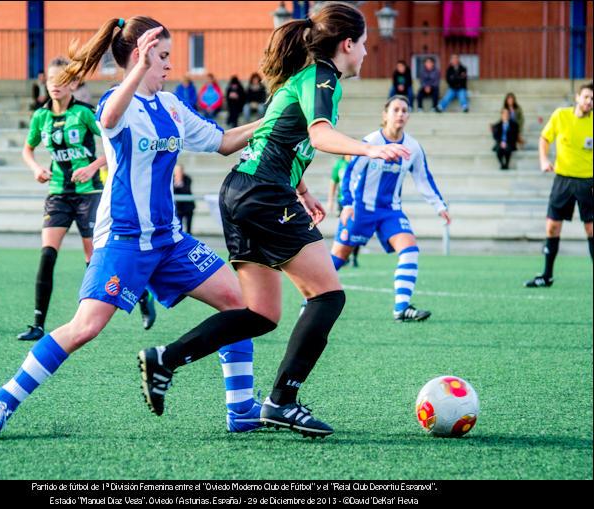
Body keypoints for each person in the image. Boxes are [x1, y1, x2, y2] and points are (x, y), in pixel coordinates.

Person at [0, 16, 267, 440]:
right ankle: (4, 399)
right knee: (84, 328)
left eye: (168, 57)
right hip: (124, 240)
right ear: (139, 57)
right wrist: (136, 71)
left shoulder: (170, 106)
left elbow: (222, 142)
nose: (169, 66)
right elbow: (109, 118)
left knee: (243, 306)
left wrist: (273, 118)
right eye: (161, 56)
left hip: (169, 239)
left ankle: (240, 410)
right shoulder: (115, 101)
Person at [139, 4, 411, 438]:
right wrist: (370, 148)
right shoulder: (323, 76)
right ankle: (282, 400)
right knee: (328, 296)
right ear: (347, 44)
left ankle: (165, 359)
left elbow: (283, 137)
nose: (364, 53)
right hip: (263, 193)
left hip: (244, 190)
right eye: (362, 44)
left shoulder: (305, 79)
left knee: (261, 313)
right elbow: (318, 134)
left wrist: (301, 191)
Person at [16, 56, 125, 341]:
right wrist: (36, 168)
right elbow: (27, 150)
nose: (56, 86)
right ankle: (38, 323)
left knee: (93, 257)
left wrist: (92, 166)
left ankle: (101, 314)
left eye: (62, 81)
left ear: (73, 84)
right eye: (52, 81)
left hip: (89, 194)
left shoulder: (85, 113)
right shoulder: (40, 116)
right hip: (58, 193)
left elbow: (114, 142)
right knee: (47, 254)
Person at [329, 95, 449, 322]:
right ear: (385, 115)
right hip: (361, 209)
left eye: (405, 110)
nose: (401, 114)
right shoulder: (371, 141)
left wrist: (439, 206)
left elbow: (423, 178)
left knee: (410, 249)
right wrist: (347, 205)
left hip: (390, 211)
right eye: (396, 110)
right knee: (339, 256)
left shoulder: (413, 147)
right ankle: (310, 299)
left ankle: (401, 308)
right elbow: (350, 173)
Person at [525, 82, 593, 288]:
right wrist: (544, 160)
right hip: (562, 180)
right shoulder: (560, 116)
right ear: (577, 97)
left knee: (591, 229)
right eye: (587, 97)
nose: (590, 102)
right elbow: (544, 139)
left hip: (588, 182)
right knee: (552, 227)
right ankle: (547, 276)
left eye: (593, 99)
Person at [326, 155, 359, 267]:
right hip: (343, 201)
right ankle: (344, 256)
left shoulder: (358, 162)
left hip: (357, 202)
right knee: (345, 228)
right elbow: (333, 182)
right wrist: (330, 200)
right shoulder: (339, 164)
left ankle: (354, 257)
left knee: (355, 229)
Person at [173, 163, 195, 234]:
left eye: (179, 171)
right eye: (176, 171)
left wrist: (179, 183)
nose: (177, 173)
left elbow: (187, 190)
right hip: (179, 207)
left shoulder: (187, 178)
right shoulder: (172, 180)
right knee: (179, 225)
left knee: (189, 226)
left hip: (188, 206)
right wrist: (176, 182)